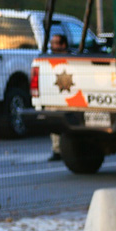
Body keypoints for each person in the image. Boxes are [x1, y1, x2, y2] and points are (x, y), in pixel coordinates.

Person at [47, 30, 69, 162]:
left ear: (63, 45)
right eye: (52, 43)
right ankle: (57, 150)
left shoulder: (70, 60)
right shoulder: (49, 60)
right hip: (54, 96)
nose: (53, 46)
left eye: (56, 43)